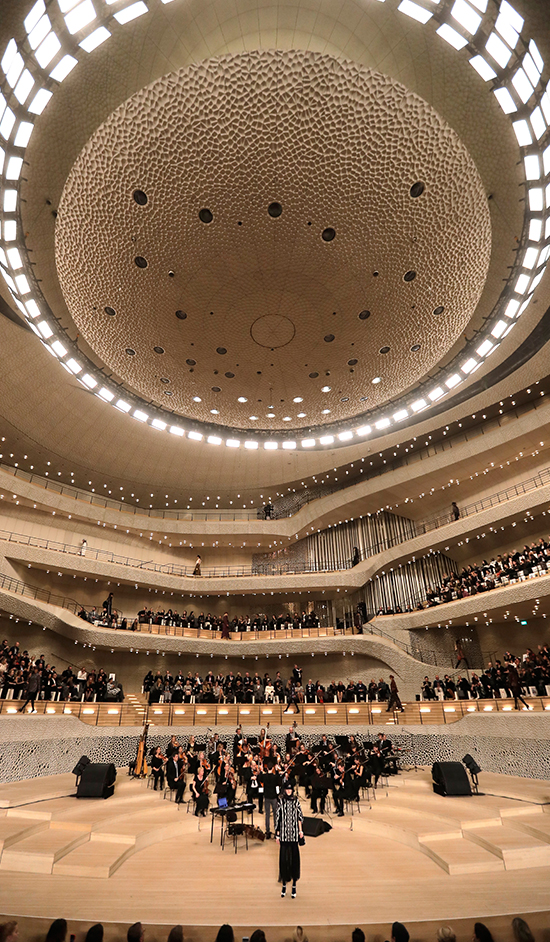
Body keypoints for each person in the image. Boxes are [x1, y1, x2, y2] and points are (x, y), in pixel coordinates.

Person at [275, 781, 304, 898]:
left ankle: (294, 884)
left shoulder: (296, 801)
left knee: (294, 860)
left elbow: (299, 817)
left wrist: (301, 831)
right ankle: (284, 883)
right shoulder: (281, 801)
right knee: (284, 860)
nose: (288, 791)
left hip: (294, 835)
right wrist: (277, 834)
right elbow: (278, 818)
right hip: (284, 835)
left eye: (290, 789)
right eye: (287, 789)